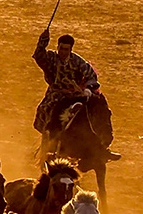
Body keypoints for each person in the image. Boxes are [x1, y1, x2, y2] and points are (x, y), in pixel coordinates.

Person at [33, 30, 117, 162]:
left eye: (66, 49)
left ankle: (103, 146)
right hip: (57, 94)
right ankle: (51, 143)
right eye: (61, 48)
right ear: (57, 47)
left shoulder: (78, 61)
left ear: (71, 49)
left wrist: (88, 90)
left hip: (77, 94)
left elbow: (91, 76)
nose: (63, 52)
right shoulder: (50, 58)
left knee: (100, 106)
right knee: (50, 111)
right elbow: (38, 56)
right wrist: (42, 42)